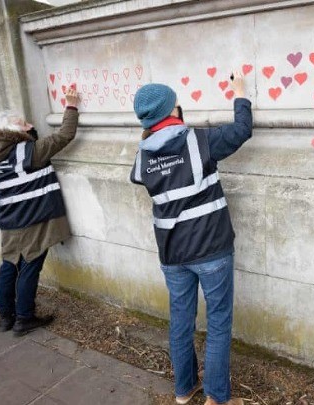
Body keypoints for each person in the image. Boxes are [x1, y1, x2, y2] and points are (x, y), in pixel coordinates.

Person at [130, 71, 252, 405]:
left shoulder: (143, 156)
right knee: (218, 322)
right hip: (211, 249)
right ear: (174, 108)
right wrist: (239, 92)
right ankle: (217, 399)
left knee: (181, 320)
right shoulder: (199, 140)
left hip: (172, 253)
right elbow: (242, 130)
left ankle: (184, 391)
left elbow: (141, 178)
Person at [0, 86, 81, 336]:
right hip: (33, 221)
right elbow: (65, 135)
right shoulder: (29, 153)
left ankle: (4, 317)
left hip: (9, 222)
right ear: (13, 132)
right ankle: (24, 318)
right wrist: (71, 106)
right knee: (31, 265)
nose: (30, 124)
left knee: (9, 265)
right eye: (24, 123)